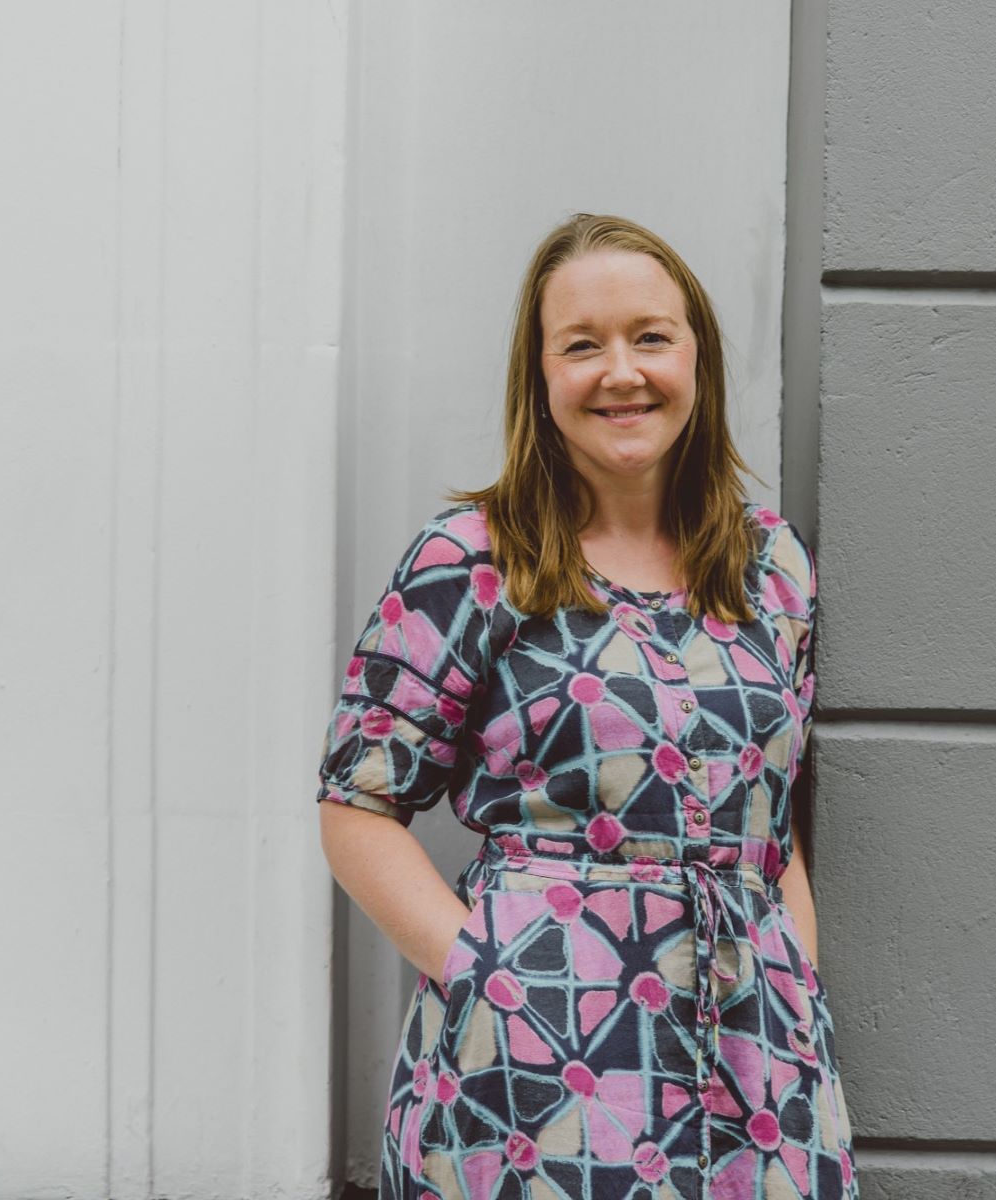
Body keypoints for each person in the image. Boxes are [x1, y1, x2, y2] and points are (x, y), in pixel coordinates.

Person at [316, 212, 858, 1200]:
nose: (622, 371)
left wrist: (798, 991)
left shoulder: (771, 567)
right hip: (534, 1065)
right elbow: (356, 805)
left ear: (697, 358)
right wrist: (490, 977)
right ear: (541, 376)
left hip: (757, 1065)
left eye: (651, 336)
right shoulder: (472, 561)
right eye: (582, 344)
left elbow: (771, 824)